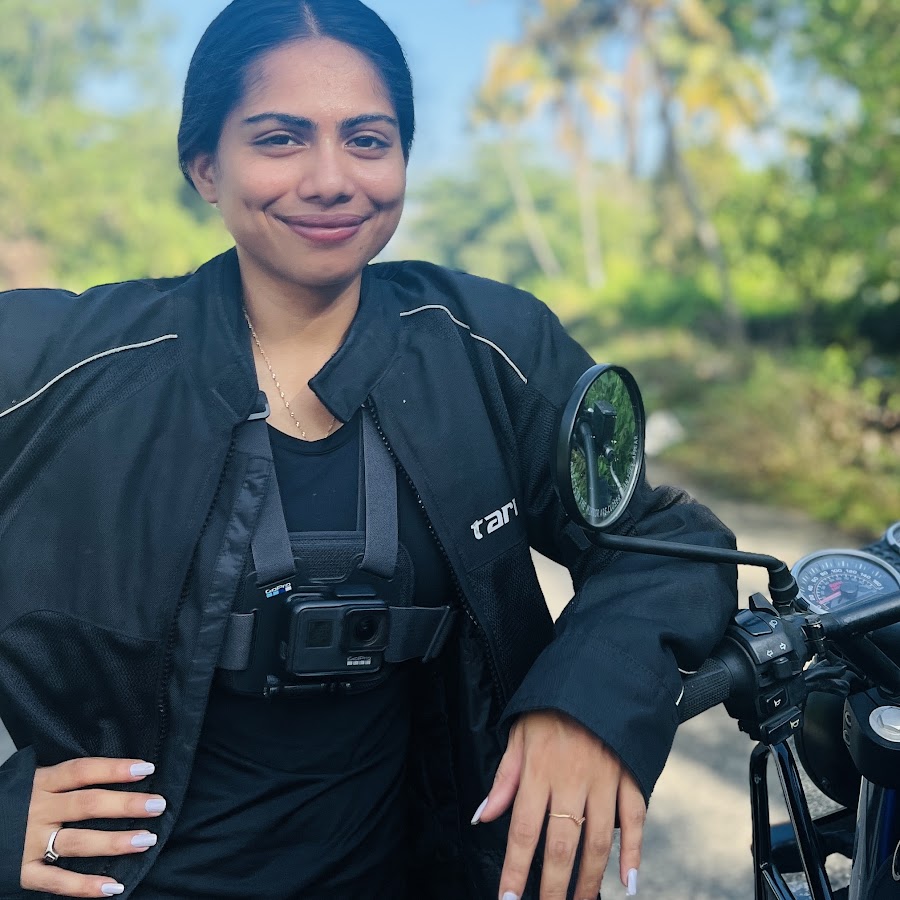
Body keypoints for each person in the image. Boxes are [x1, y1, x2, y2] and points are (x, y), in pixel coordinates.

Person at [0, 1, 738, 898]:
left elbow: (665, 544)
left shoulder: (484, 346)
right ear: (206, 166)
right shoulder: (61, 365)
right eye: (280, 139)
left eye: (367, 140)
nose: (330, 179)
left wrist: (588, 699)